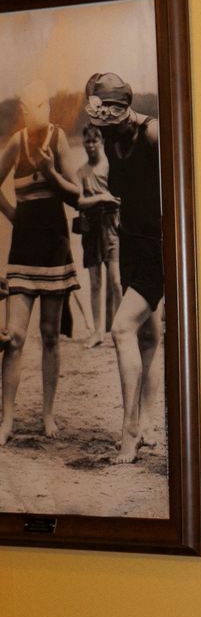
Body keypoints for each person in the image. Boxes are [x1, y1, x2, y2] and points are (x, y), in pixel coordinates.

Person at [84, 72, 165, 463]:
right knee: (148, 336)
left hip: (160, 247)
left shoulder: (152, 133)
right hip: (131, 244)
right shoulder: (113, 141)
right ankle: (148, 423)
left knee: (121, 328)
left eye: (113, 112)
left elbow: (186, 182)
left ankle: (130, 429)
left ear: (125, 105)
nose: (106, 122)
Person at [0, 81, 79, 445]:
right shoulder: (16, 142)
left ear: (47, 107)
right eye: (29, 106)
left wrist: (49, 174)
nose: (36, 111)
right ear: (23, 110)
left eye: (41, 104)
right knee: (14, 339)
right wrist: (14, 214)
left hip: (54, 251)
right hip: (23, 253)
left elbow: (76, 194)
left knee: (50, 336)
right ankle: (8, 419)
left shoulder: (59, 138)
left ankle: (47, 416)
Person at [73, 123, 121, 348]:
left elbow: (120, 197)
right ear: (83, 143)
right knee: (95, 283)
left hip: (111, 226)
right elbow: (79, 201)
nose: (91, 145)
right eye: (88, 141)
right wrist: (102, 198)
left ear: (102, 142)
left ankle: (121, 330)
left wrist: (109, 200)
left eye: (95, 141)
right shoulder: (81, 172)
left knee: (116, 280)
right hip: (90, 229)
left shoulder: (110, 167)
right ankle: (98, 332)